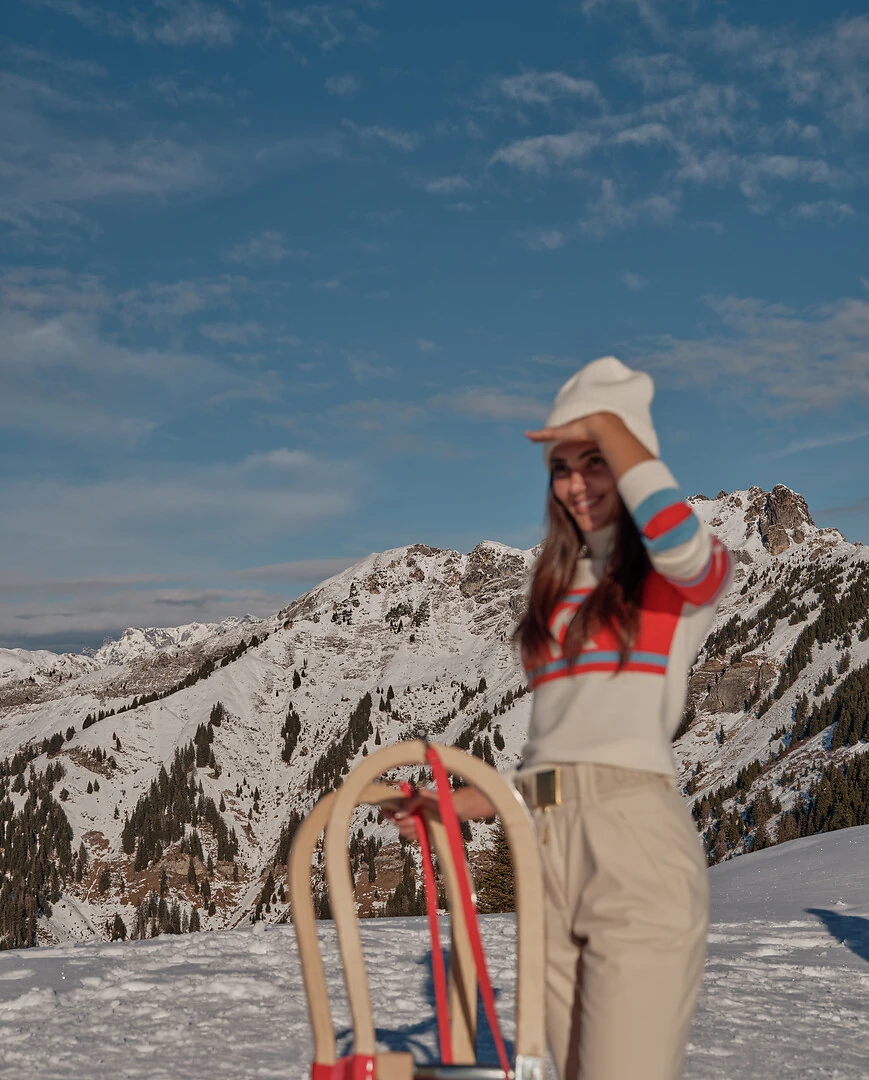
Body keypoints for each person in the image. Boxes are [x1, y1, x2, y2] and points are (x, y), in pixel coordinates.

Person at [385, 356, 732, 1080]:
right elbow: (557, 751)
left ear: (633, 461)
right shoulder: (564, 588)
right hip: (546, 843)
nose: (576, 483)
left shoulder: (675, 578)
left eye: (597, 461)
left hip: (633, 842)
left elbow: (687, 552)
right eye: (561, 466)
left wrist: (612, 426)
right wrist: (469, 802)